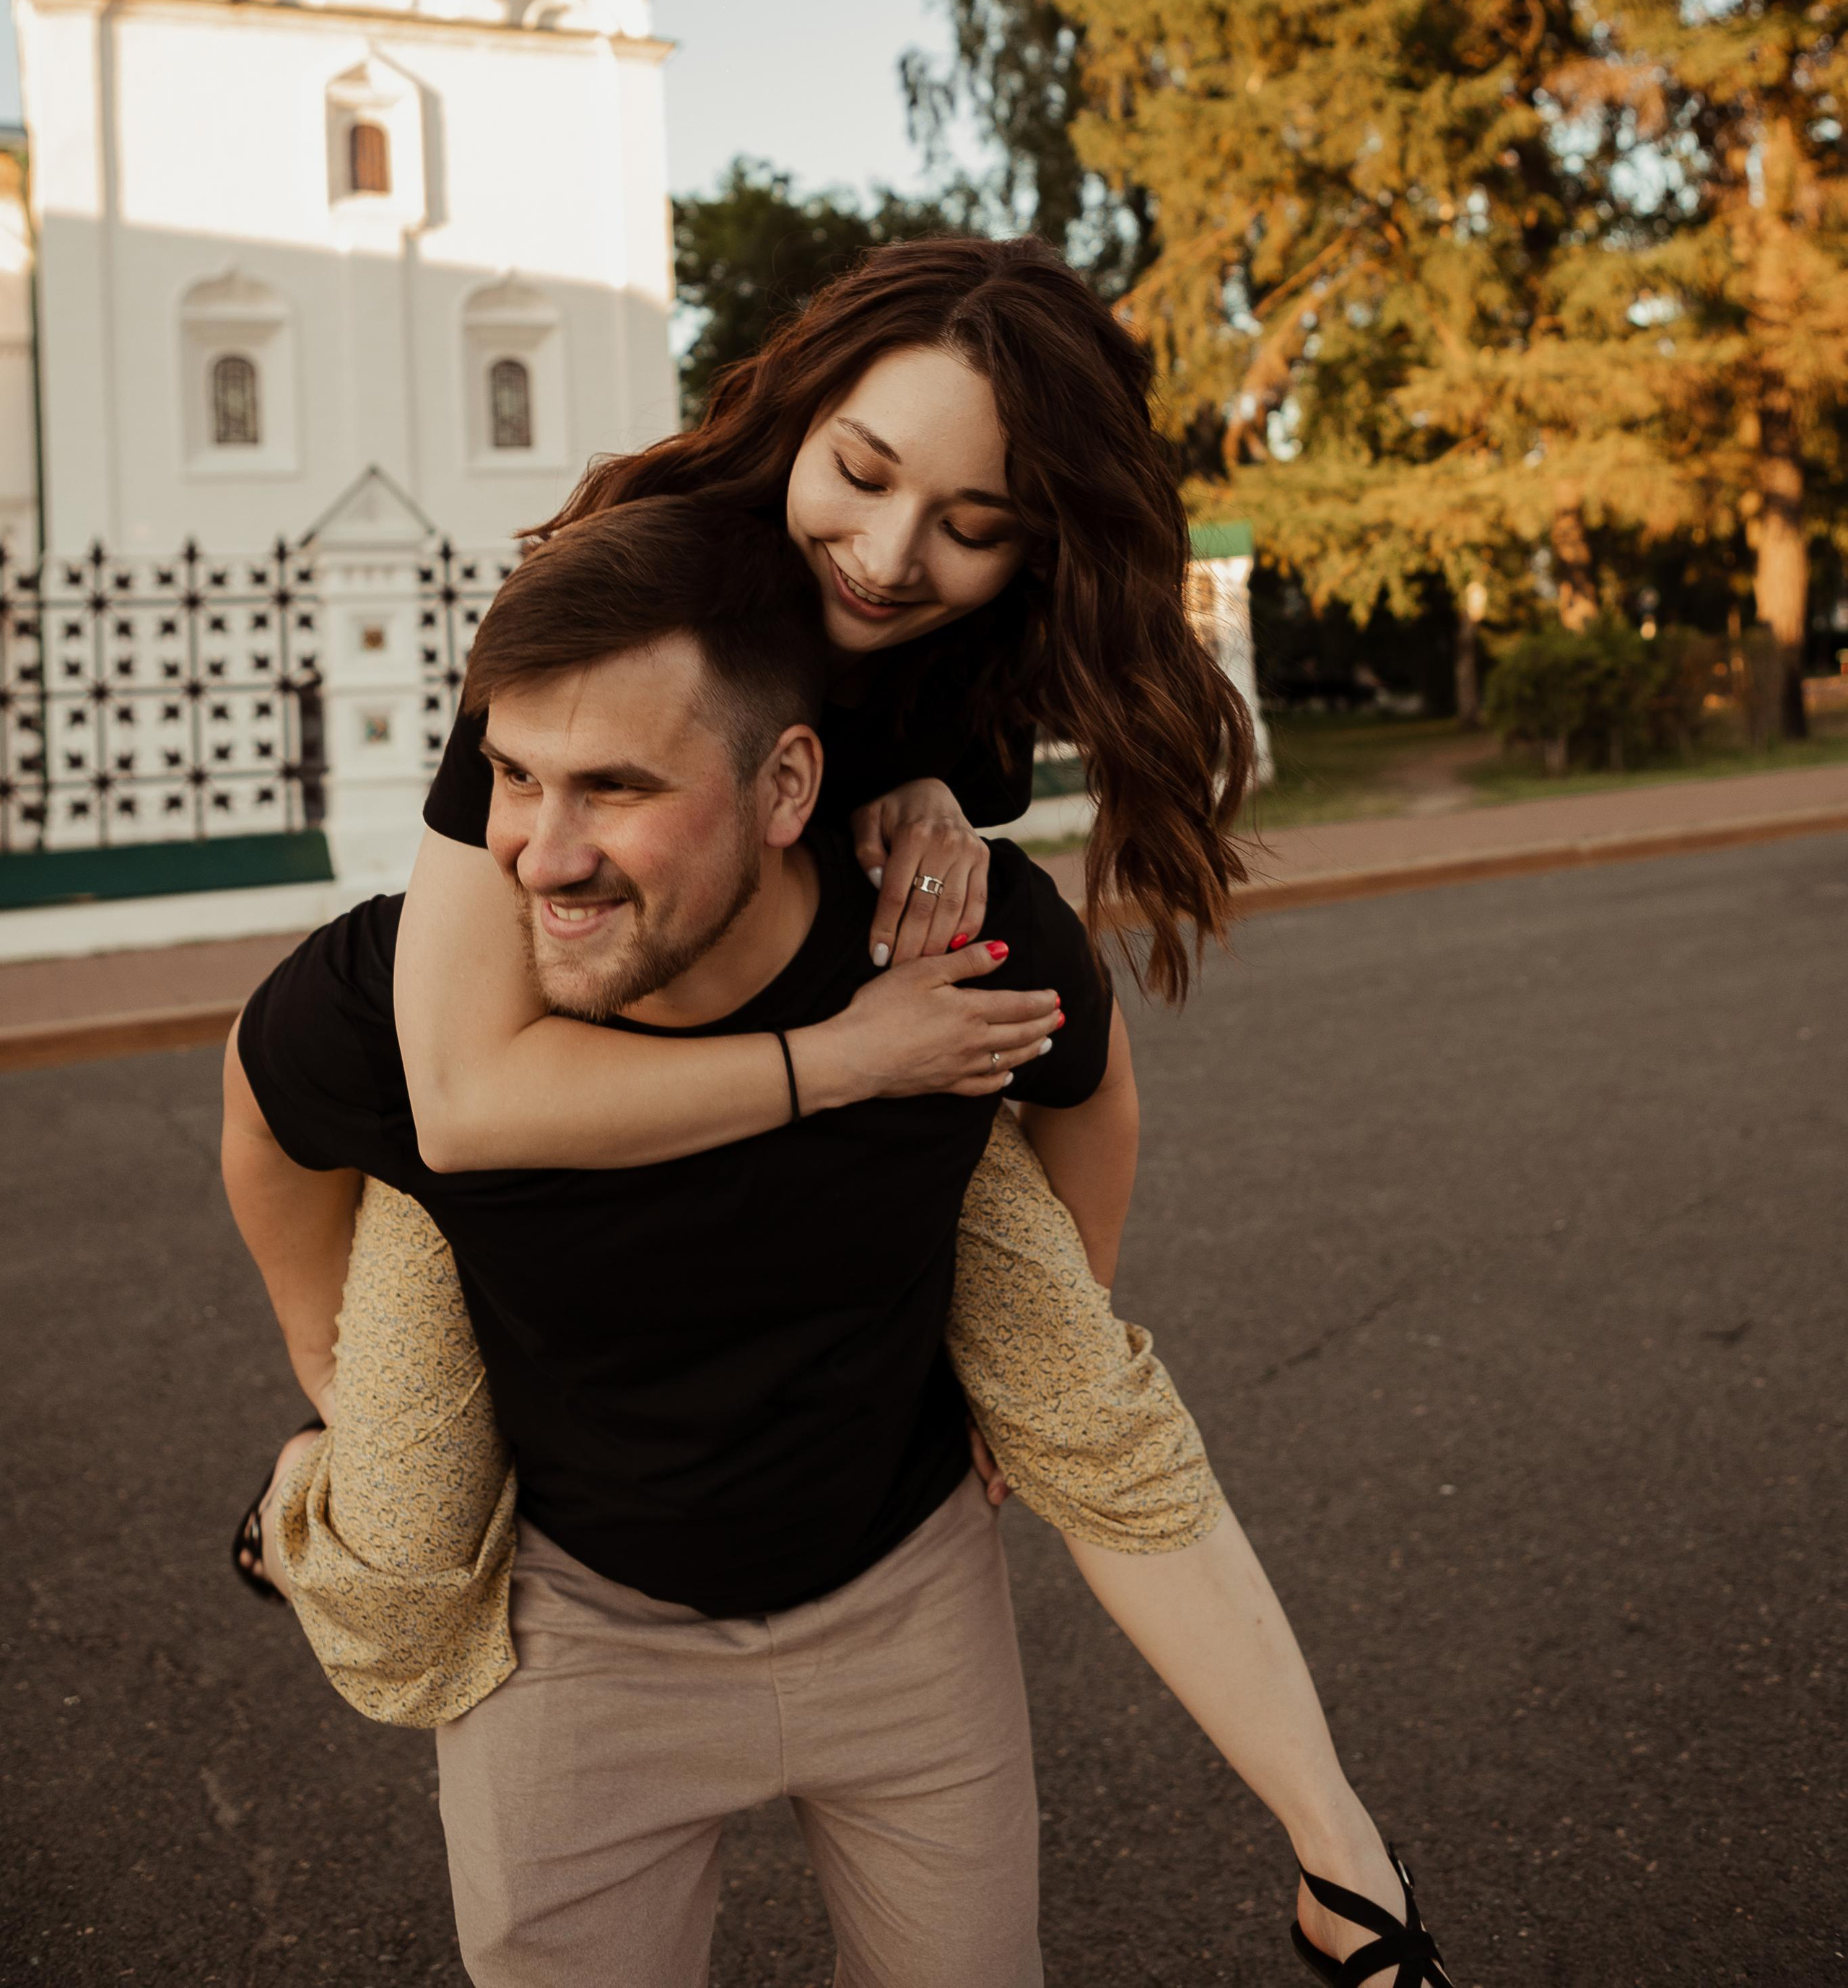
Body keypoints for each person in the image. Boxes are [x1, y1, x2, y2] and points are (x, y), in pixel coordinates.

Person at [235, 237, 1450, 1988]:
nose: (889, 559)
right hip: (528, 1086)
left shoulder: (968, 647)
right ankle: (307, 1492)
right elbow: (464, 1091)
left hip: (869, 1037)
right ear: (800, 413)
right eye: (865, 475)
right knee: (404, 1537)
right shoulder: (626, 605)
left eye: (970, 522)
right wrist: (325, 1373)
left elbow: (1062, 1017)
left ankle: (1341, 1859)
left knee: (1078, 1396)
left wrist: (946, 810)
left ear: (1035, 546)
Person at [227, 498, 1101, 1986]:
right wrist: (324, 1360)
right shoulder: (412, 997)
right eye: (510, 777)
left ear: (785, 788)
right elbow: (268, 1112)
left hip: (903, 1595)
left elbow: (1088, 1083)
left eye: (612, 788)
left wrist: (1051, 1345)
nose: (543, 855)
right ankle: (309, 1501)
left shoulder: (935, 933)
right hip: (570, 1634)